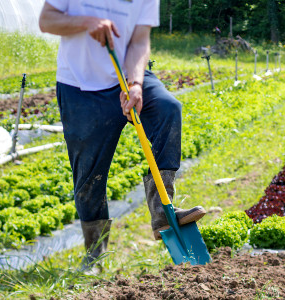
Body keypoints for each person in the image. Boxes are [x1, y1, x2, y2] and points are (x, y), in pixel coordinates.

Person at [39, 0, 206, 271]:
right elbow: (46, 21)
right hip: (79, 87)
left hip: (126, 78)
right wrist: (87, 22)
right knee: (89, 172)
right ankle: (95, 254)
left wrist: (136, 83)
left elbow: (139, 41)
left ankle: (162, 212)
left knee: (167, 108)